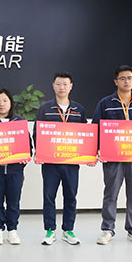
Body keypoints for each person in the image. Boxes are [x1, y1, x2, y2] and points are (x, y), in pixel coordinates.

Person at [92, 65, 132, 245]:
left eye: (130, 78)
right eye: (123, 78)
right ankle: (107, 229)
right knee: (111, 193)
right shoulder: (105, 103)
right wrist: (97, 151)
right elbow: (96, 127)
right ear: (116, 81)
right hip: (113, 157)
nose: (127, 81)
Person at [34, 72, 87, 246]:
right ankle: (50, 230)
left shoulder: (79, 109)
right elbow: (37, 133)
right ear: (53, 86)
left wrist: (88, 154)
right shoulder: (45, 109)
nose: (61, 87)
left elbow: (85, 135)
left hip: (71, 162)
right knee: (49, 196)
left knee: (70, 196)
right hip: (50, 163)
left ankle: (68, 230)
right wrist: (40, 153)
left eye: (65, 84)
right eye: (58, 84)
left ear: (71, 86)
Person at [0, 88, 30, 245]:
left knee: (13, 201)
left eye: (5, 100)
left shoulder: (19, 122)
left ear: (11, 103)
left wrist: (24, 158)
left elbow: (28, 146)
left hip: (15, 171)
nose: (1, 104)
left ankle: (12, 230)